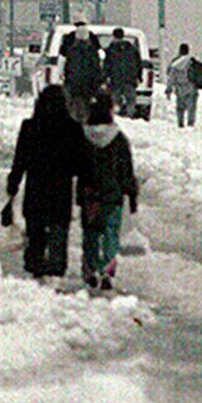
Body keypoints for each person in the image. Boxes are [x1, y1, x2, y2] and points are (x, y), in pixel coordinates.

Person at [5, 85, 90, 281]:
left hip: (36, 189)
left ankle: (35, 265)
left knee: (35, 230)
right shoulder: (73, 129)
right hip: (61, 191)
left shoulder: (30, 127)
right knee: (59, 230)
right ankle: (56, 268)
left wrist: (14, 183)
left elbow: (20, 160)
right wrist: (84, 190)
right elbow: (82, 164)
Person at [78, 93, 138, 291]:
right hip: (113, 194)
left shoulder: (83, 136)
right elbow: (126, 170)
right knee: (111, 231)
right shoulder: (118, 139)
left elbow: (77, 166)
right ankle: (107, 268)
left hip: (89, 194)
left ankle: (91, 266)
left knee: (91, 231)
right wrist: (131, 193)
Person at [59, 22, 102, 121]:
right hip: (89, 83)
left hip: (73, 82)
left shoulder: (71, 50)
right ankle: (85, 118)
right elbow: (96, 68)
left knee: (73, 103)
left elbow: (65, 65)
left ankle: (74, 119)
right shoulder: (93, 51)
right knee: (87, 103)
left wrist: (64, 77)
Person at [102, 27, 140, 117]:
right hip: (130, 80)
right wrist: (138, 77)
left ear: (114, 36)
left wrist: (104, 78)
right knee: (130, 101)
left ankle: (116, 117)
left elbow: (107, 66)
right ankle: (130, 117)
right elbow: (139, 64)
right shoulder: (132, 49)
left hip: (115, 80)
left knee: (114, 101)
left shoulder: (110, 50)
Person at [165, 43, 202, 128]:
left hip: (180, 88)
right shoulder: (192, 62)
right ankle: (190, 124)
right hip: (192, 88)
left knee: (180, 108)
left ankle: (180, 124)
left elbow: (171, 77)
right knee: (191, 109)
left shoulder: (175, 63)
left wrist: (169, 89)